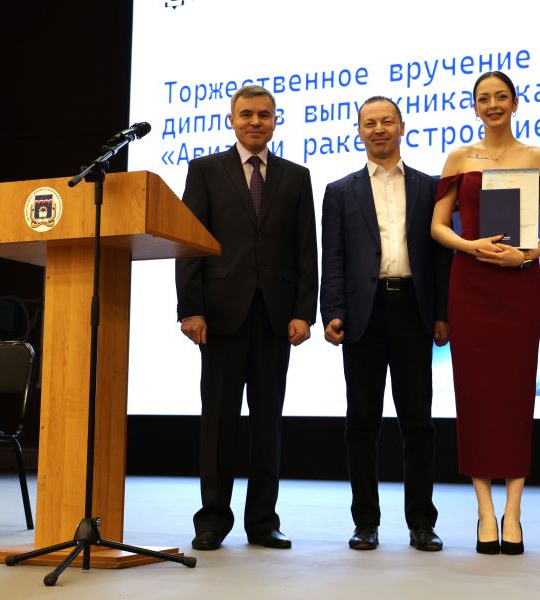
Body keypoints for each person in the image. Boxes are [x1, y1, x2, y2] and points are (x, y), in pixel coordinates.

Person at [175, 85, 318, 551]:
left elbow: (305, 250)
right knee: (218, 421)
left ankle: (262, 521)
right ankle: (212, 520)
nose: (256, 121)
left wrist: (304, 312)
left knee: (267, 422)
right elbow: (190, 242)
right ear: (232, 119)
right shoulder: (204, 170)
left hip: (275, 317)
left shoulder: (296, 176)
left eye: (264, 114)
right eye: (247, 114)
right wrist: (190, 307)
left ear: (275, 120)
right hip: (219, 316)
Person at [430, 71, 540, 555]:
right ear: (475, 107)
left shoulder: (536, 157)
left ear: (515, 103)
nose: (493, 105)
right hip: (470, 285)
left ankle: (514, 512)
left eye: (501, 97)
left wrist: (528, 255)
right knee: (475, 397)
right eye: (484, 98)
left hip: (518, 284)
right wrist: (471, 246)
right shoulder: (459, 158)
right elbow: (438, 225)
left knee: (514, 396)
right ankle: (485, 511)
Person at [320, 96, 451, 551]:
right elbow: (333, 258)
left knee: (418, 423)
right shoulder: (340, 191)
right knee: (362, 423)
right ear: (359, 131)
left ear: (402, 127)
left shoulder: (430, 187)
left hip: (413, 309)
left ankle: (422, 523)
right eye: (370, 123)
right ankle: (365, 523)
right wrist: (332, 312)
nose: (379, 129)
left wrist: (442, 313)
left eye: (387, 121)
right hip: (363, 314)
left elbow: (441, 256)